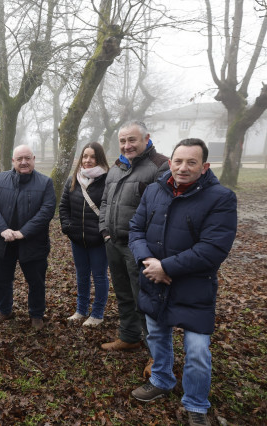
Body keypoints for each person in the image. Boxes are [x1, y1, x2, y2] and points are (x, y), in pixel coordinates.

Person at [128, 139, 237, 426]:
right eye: (178, 161)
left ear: (205, 167)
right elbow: (136, 230)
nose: (183, 167)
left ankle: (196, 404)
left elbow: (213, 249)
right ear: (170, 162)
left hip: (194, 287)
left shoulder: (221, 198)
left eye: (191, 162)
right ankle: (162, 380)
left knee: (198, 350)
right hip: (154, 281)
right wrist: (148, 263)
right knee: (157, 336)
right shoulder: (154, 190)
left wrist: (167, 267)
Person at [99, 121, 169, 352]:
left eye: (132, 140)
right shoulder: (117, 167)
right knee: (124, 294)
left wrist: (147, 246)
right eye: (122, 141)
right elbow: (106, 202)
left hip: (140, 248)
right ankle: (129, 336)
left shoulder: (160, 166)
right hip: (114, 243)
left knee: (146, 299)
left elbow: (164, 210)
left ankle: (155, 354)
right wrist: (105, 232)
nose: (127, 145)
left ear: (146, 138)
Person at [0, 144, 56, 330]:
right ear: (13, 161)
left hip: (33, 243)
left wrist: (23, 232)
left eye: (27, 158)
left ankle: (36, 314)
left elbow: (46, 211)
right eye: (19, 159)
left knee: (36, 281)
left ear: (33, 159)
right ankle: (5, 309)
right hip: (4, 242)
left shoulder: (45, 182)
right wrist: (2, 229)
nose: (23, 162)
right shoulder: (0, 179)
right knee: (2, 278)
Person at [59, 142, 110, 327]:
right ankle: (81, 310)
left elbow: (109, 209)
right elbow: (64, 206)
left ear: (99, 159)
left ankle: (97, 313)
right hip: (77, 239)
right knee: (81, 275)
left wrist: (102, 232)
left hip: (98, 240)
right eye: (85, 156)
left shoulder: (107, 180)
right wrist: (67, 227)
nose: (88, 160)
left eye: (92, 157)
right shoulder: (74, 178)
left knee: (99, 276)